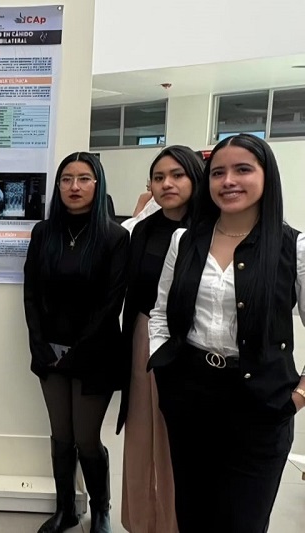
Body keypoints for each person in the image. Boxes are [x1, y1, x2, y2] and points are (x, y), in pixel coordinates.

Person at [148, 134, 305, 532]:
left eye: (243, 169)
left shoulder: (294, 247)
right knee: (194, 516)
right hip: (190, 397)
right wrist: (163, 363)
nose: (228, 181)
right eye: (218, 173)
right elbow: (161, 310)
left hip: (261, 404)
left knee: (243, 521)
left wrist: (300, 395)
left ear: (267, 176)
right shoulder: (185, 240)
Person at [23, 152, 129, 533]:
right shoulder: (43, 233)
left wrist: (78, 351)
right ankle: (65, 509)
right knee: (61, 437)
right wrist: (38, 343)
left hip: (95, 354)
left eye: (84, 179)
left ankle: (100, 509)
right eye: (66, 179)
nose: (74, 187)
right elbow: (30, 293)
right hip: (51, 353)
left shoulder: (115, 237)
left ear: (97, 185)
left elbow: (111, 304)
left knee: (86, 439)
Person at [116, 146, 204, 533]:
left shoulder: (211, 228)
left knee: (177, 437)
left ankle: (176, 523)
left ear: (195, 178)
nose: (167, 184)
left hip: (192, 342)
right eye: (158, 177)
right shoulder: (144, 229)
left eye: (177, 175)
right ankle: (140, 521)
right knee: (141, 431)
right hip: (143, 335)